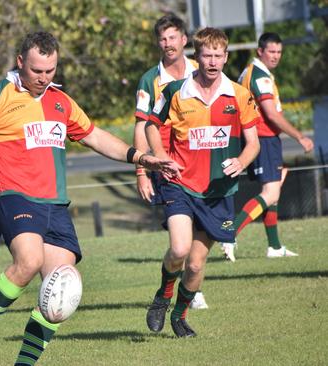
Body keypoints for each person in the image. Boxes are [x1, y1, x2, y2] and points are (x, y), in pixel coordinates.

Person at [0, 31, 179, 365]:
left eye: (50, 71)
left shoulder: (61, 102)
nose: (44, 78)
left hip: (55, 205)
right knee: (28, 261)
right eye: (36, 71)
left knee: (62, 292)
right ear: (20, 63)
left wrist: (142, 158)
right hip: (12, 195)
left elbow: (96, 137)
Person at [144, 27, 261, 337]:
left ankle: (179, 316)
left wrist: (241, 161)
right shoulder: (174, 91)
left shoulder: (239, 94)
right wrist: (158, 156)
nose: (212, 61)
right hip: (179, 182)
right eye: (206, 55)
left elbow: (253, 143)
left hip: (218, 190)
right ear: (197, 56)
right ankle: (162, 296)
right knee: (179, 249)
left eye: (218, 56)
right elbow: (151, 126)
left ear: (225, 57)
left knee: (195, 266)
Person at [134, 13, 209, 310]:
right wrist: (142, 170)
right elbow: (141, 126)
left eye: (173, 37)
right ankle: (183, 287)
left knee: (202, 230)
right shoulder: (150, 80)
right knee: (182, 236)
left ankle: (191, 278)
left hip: (200, 163)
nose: (168, 43)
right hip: (168, 166)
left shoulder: (200, 70)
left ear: (184, 39)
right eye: (162, 38)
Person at [219, 32, 314, 262]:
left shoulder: (250, 71)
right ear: (260, 51)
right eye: (271, 51)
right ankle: (229, 234)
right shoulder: (260, 75)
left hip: (261, 138)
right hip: (264, 138)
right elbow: (271, 113)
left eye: (279, 52)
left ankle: (274, 246)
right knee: (270, 192)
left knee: (277, 185)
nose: (276, 56)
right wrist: (300, 136)